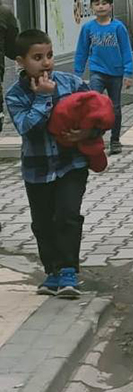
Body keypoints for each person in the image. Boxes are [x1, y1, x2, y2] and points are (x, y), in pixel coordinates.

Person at [4, 30, 91, 298]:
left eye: (50, 55)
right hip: (37, 169)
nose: (46, 63)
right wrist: (42, 97)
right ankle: (52, 271)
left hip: (71, 164)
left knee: (66, 215)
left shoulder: (71, 83)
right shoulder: (15, 95)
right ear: (21, 61)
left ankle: (68, 271)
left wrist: (86, 133)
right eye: (37, 57)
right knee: (42, 223)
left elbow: (97, 111)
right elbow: (26, 128)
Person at [73, 0, 133, 155]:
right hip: (96, 71)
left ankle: (115, 140)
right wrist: (77, 73)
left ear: (111, 6)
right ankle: (93, 137)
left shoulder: (118, 27)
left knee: (115, 107)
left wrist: (128, 73)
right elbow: (82, 50)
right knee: (93, 104)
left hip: (116, 73)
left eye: (104, 3)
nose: (101, 7)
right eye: (97, 3)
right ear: (92, 7)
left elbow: (127, 50)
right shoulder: (88, 28)